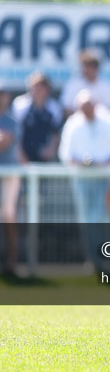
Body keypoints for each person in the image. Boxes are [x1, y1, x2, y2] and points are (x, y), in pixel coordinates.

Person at [58, 90, 110, 272]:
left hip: (106, 179)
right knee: (86, 220)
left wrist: (103, 164)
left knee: (103, 219)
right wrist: (82, 164)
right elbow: (66, 154)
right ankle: (91, 260)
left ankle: (106, 260)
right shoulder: (73, 123)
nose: (87, 111)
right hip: (82, 180)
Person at [12, 72, 62, 163]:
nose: (38, 89)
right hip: (23, 156)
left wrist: (51, 150)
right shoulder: (20, 105)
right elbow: (16, 135)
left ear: (48, 89)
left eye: (42, 86)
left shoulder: (54, 108)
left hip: (45, 160)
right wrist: (22, 158)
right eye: (35, 85)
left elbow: (56, 134)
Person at [60, 50, 110, 115]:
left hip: (103, 122)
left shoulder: (108, 86)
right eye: (86, 65)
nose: (88, 69)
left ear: (97, 67)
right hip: (79, 122)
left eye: (92, 66)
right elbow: (66, 108)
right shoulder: (72, 84)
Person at [0, 88, 21, 276]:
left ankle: (11, 263)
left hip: (8, 176)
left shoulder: (12, 120)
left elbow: (4, 142)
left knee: (8, 216)